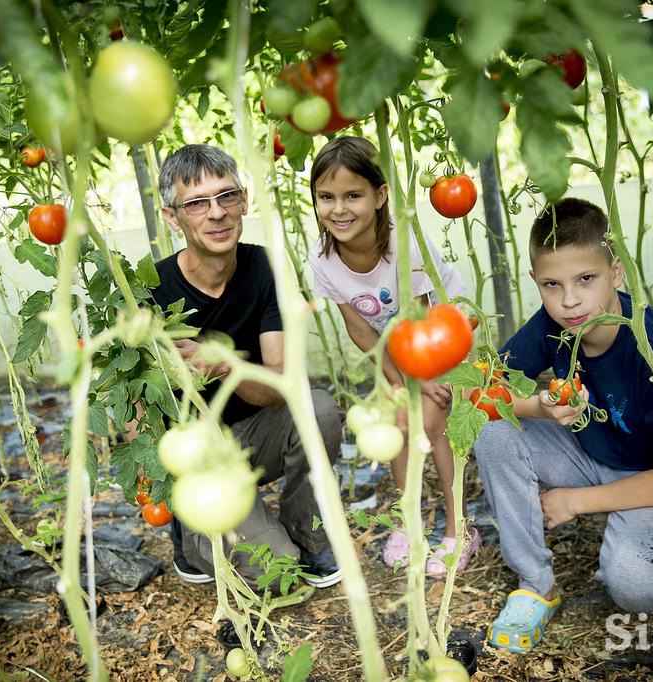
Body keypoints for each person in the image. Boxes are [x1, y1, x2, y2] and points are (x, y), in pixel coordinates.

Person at [474, 197, 653, 652]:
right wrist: (537, 405)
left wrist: (574, 501)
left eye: (585, 279)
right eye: (552, 284)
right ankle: (535, 585)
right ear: (536, 281)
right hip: (595, 455)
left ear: (615, 272)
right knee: (494, 427)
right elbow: (483, 390)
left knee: (637, 589)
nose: (569, 301)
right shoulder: (551, 326)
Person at [149, 143, 343, 588]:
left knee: (318, 409)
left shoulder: (266, 267)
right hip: (203, 453)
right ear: (171, 217)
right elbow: (134, 408)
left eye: (227, 196)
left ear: (244, 201)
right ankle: (191, 531)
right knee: (276, 573)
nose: (216, 213)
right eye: (196, 203)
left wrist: (218, 362)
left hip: (259, 428)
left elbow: (278, 386)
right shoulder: (149, 290)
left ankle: (307, 536)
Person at [307, 136, 481, 579]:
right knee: (397, 423)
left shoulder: (404, 243)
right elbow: (358, 327)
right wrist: (397, 378)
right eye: (326, 197)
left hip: (444, 334)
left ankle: (460, 528)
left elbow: (425, 314)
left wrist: (420, 378)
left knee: (432, 424)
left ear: (380, 195)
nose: (339, 209)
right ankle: (411, 525)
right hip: (395, 348)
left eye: (353, 195)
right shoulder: (323, 260)